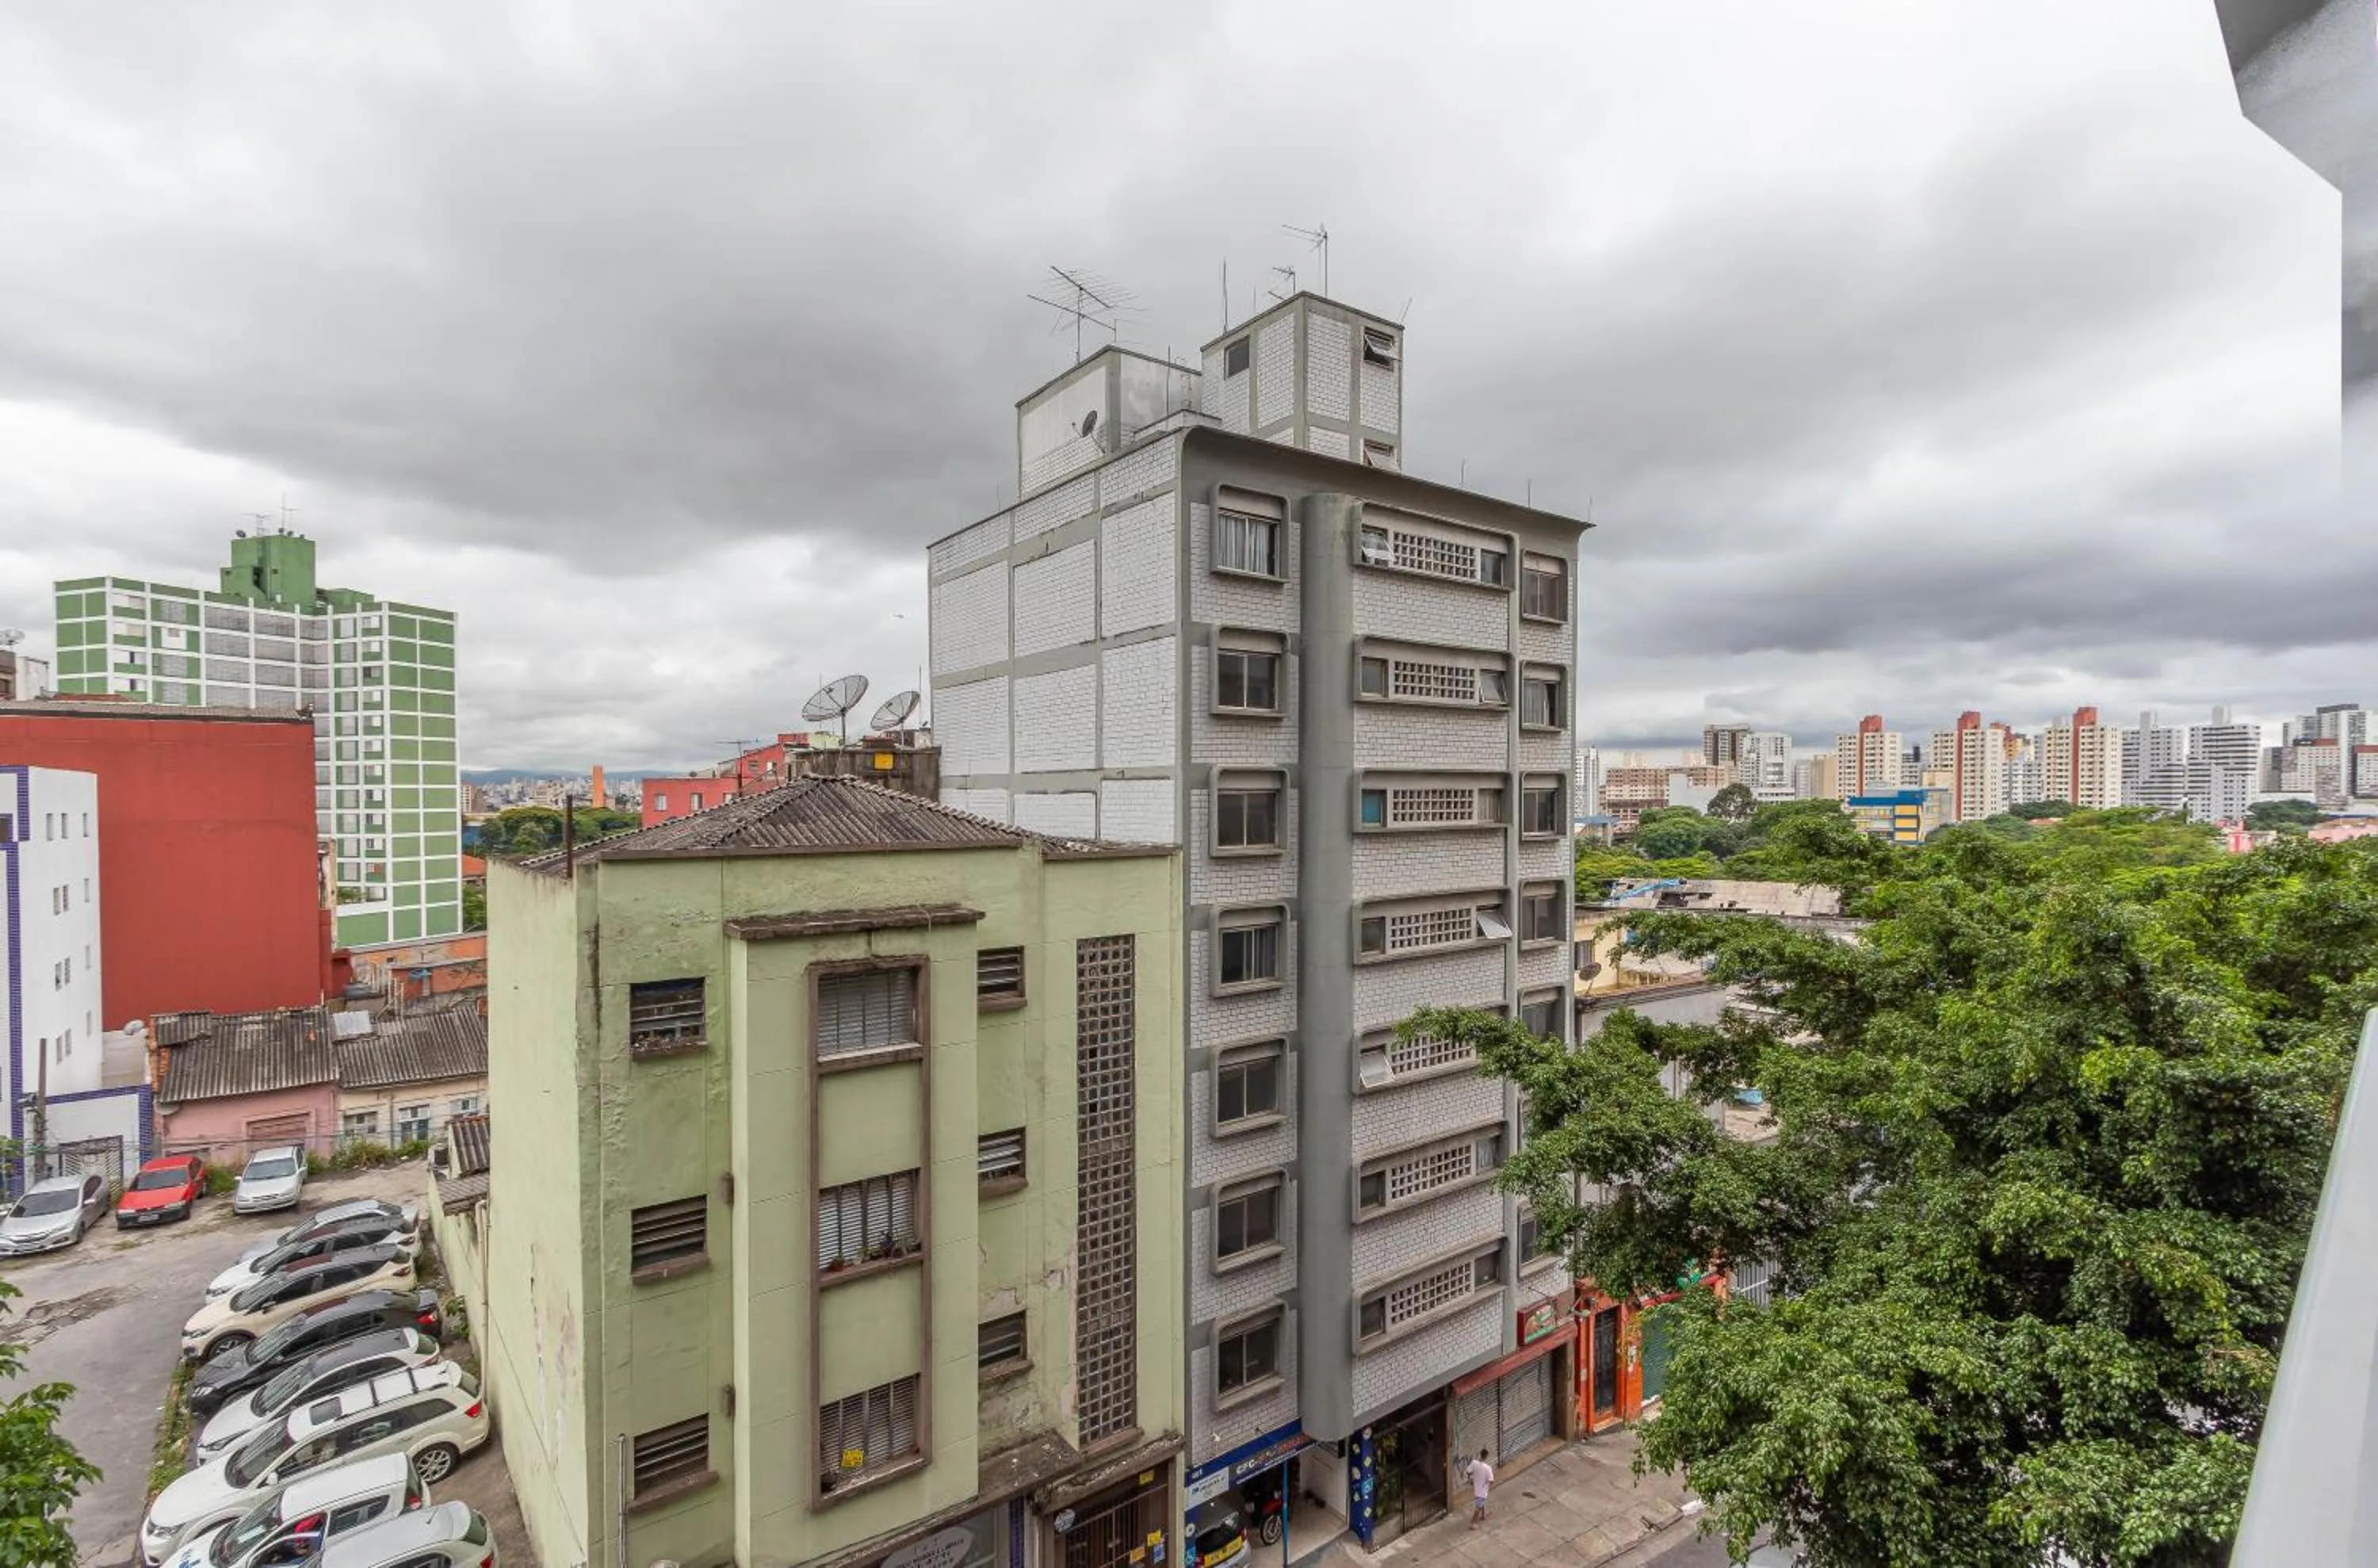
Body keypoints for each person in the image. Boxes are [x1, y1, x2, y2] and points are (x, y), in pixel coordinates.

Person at [1466, 1448, 1494, 1528]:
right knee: (1478, 1506)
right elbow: (1491, 1481)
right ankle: (1473, 1523)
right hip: (1483, 1491)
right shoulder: (1488, 1468)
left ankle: (1483, 1515)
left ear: (1480, 1454)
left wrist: (1471, 1479)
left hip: (1476, 1489)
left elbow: (1468, 1472)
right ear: (1487, 1457)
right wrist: (1487, 1481)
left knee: (1481, 1503)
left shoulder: (1474, 1463)